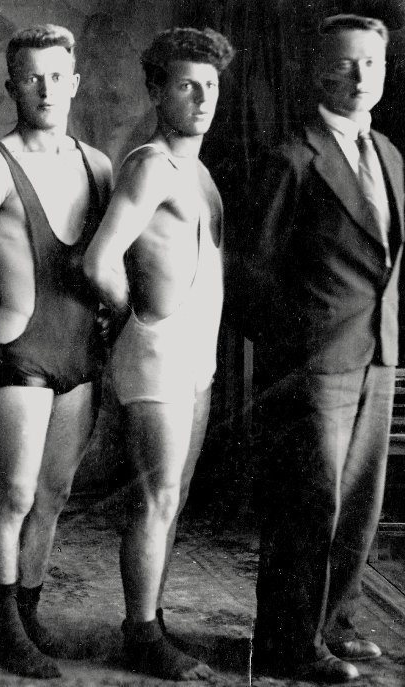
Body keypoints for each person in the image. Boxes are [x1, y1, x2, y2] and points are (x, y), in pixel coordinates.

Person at [232, 14, 402, 683]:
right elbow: (249, 273)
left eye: (372, 63)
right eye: (345, 63)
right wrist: (296, 348)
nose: (361, 77)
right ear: (317, 72)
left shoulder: (388, 154)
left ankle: (333, 621)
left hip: (377, 353)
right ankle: (287, 643)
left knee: (359, 500)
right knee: (306, 504)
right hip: (313, 364)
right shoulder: (293, 158)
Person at [0, 24, 112, 679]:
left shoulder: (98, 165)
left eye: (56, 76)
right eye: (31, 77)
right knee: (14, 494)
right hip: (21, 352)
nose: (45, 89)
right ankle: (6, 629)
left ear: (75, 83)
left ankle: (30, 612)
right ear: (12, 86)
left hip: (80, 352)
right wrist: (16, 306)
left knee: (54, 492)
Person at [83, 26, 233, 681]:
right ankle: (141, 634)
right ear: (155, 90)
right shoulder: (150, 165)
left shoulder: (199, 171)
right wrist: (135, 317)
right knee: (156, 498)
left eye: (211, 86)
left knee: (174, 496)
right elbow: (99, 260)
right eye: (186, 85)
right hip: (158, 350)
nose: (202, 98)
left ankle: (151, 618)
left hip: (195, 356)